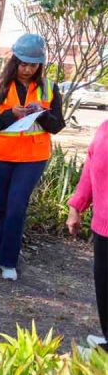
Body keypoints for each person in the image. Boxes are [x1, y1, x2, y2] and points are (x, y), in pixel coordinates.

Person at [0, 33, 65, 281]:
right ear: (14, 61)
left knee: (16, 207)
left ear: (40, 64)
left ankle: (9, 260)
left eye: (32, 64)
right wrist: (12, 115)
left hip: (32, 157)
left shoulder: (49, 88)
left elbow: (57, 125)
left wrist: (42, 114)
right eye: (23, 63)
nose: (27, 69)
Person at [67, 120, 108, 352]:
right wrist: (76, 206)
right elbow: (92, 165)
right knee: (104, 288)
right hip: (103, 226)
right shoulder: (105, 128)